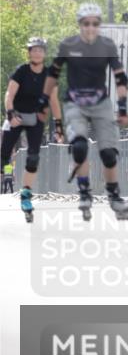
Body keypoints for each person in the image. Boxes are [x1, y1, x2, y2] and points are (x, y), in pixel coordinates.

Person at [40, 3, 128, 220]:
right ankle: (84, 192)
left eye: (94, 24)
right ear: (80, 25)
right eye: (86, 24)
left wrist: (122, 108)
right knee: (80, 146)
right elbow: (52, 76)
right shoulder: (68, 45)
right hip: (75, 103)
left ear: (98, 25)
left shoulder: (107, 45)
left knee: (109, 153)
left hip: (100, 103)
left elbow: (120, 79)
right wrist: (43, 101)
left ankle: (114, 196)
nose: (90, 28)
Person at [2, 37, 63, 221]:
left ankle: (26, 195)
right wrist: (11, 114)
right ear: (29, 53)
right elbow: (9, 94)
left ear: (44, 53)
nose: (36, 53)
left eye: (40, 50)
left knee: (33, 157)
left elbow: (54, 101)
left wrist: (59, 125)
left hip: (36, 118)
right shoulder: (21, 71)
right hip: (17, 116)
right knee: (4, 155)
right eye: (33, 50)